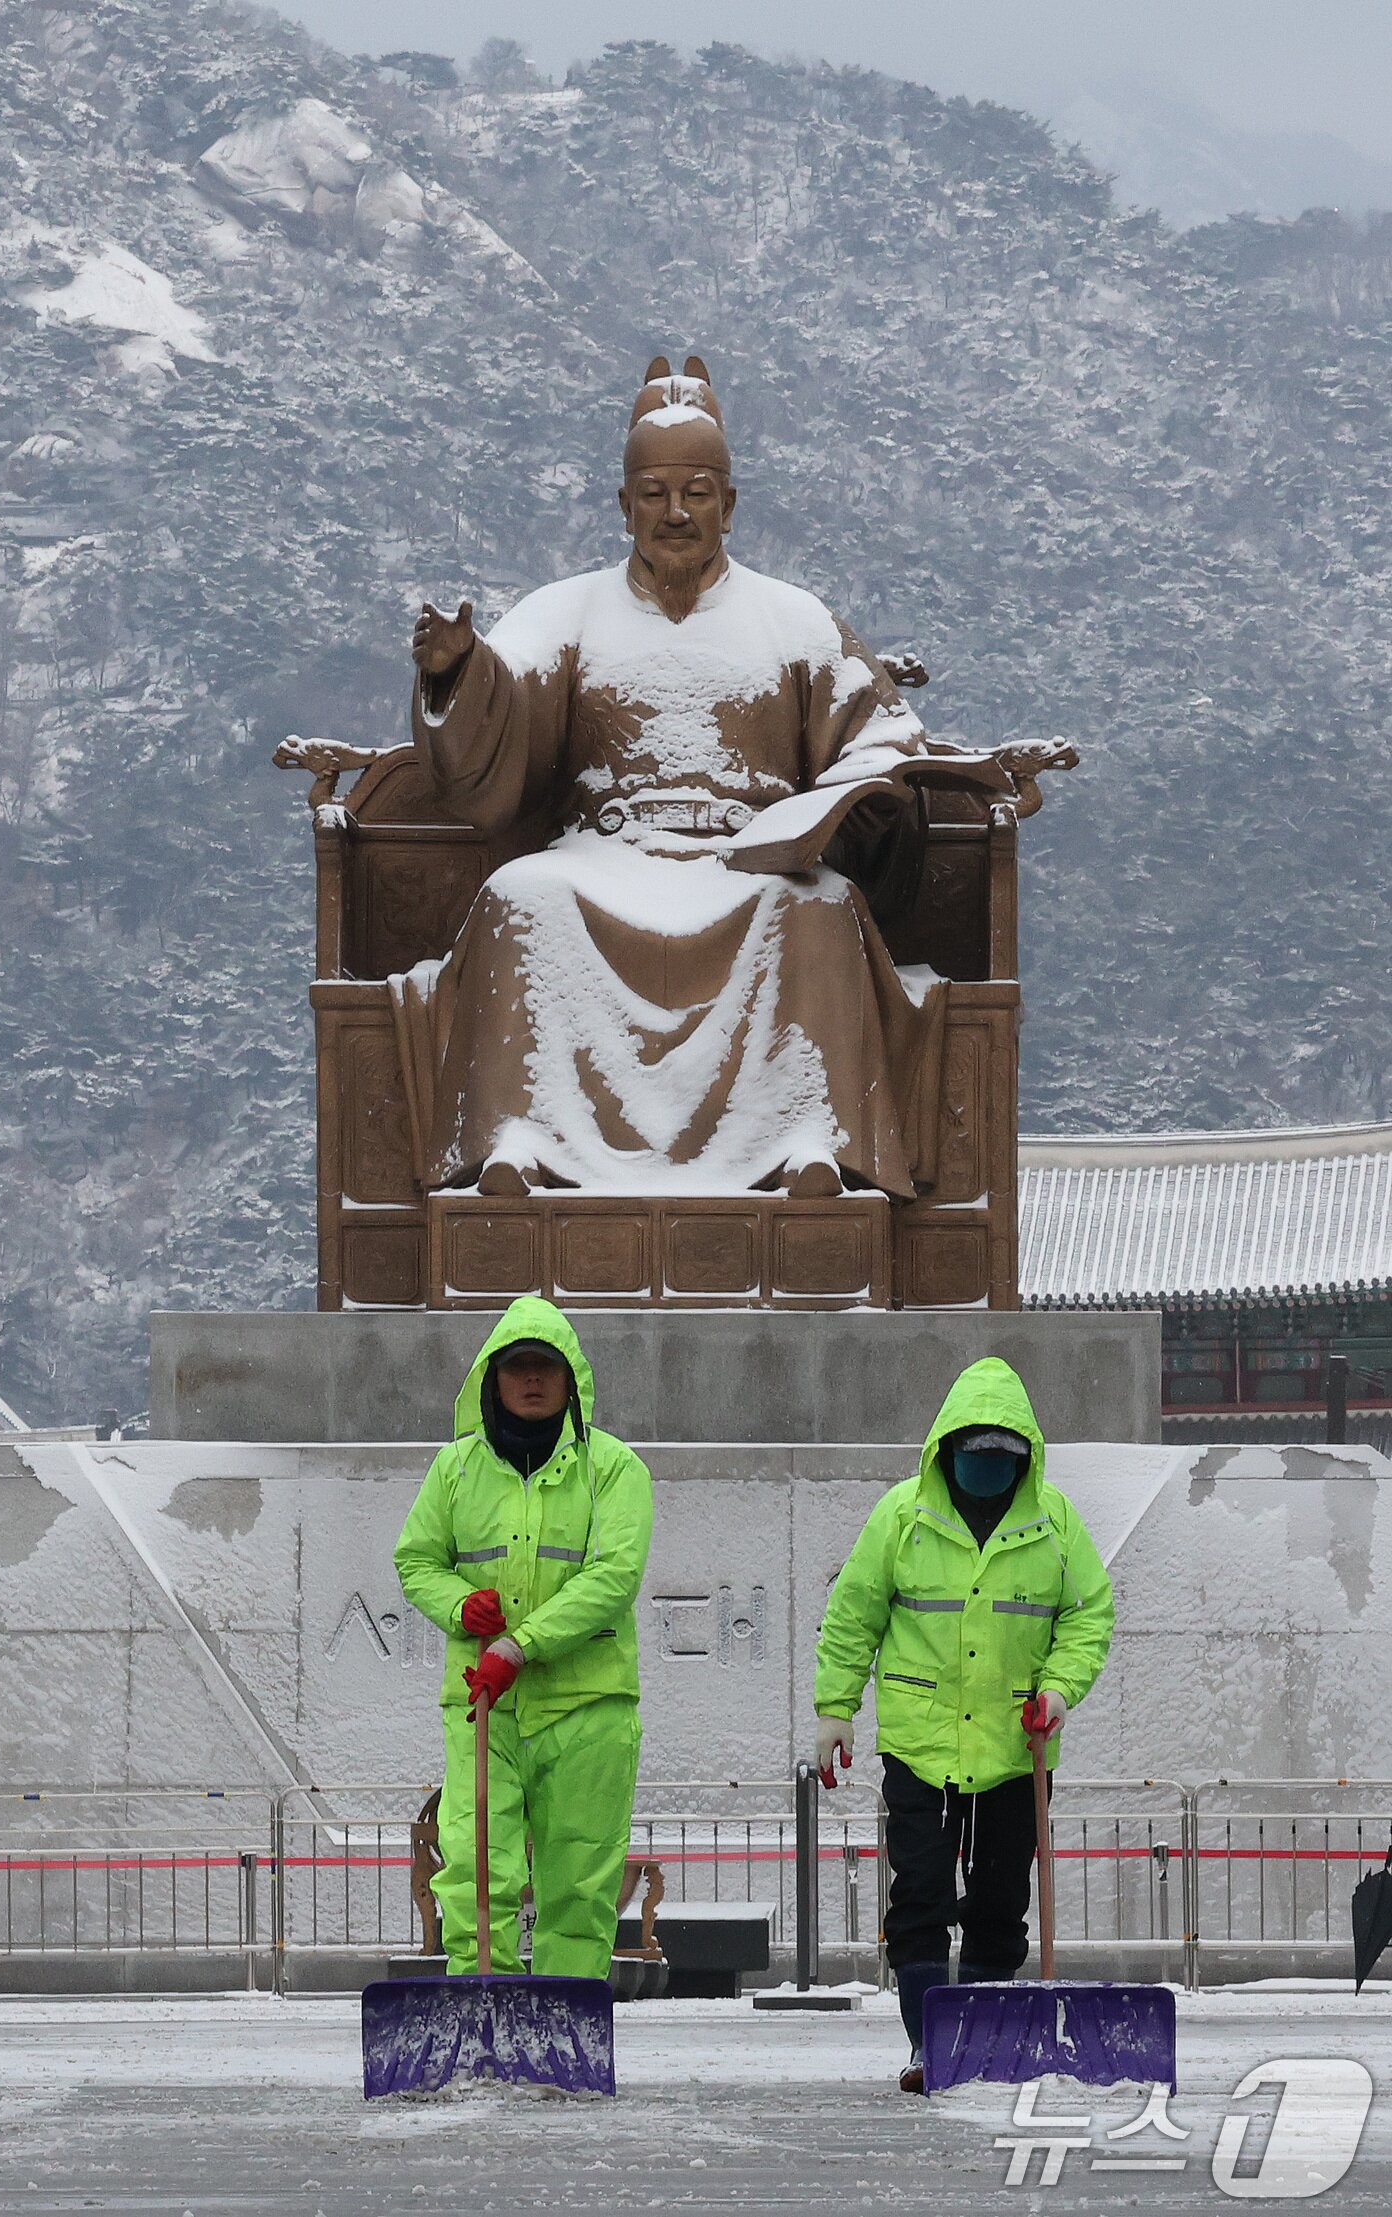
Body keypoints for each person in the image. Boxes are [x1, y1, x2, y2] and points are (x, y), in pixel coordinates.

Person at [379, 353, 1059, 1202]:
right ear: (624, 504)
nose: (675, 512)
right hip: (602, 854)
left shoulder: (796, 619)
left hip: (753, 862)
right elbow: (504, 705)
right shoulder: (568, 611)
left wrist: (862, 795)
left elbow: (879, 734)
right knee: (524, 897)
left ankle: (812, 1143)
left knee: (820, 907)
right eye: (655, 493)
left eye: (696, 492)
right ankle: (522, 1141)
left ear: (728, 505)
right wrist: (457, 670)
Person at [813, 1357, 1113, 2092]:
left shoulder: (1056, 1525)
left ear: (1024, 1458)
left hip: (1018, 1747)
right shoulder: (902, 1517)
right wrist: (835, 1708)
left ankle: (987, 2039)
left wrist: (1059, 1689)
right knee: (918, 1893)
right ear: (946, 1448)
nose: (987, 1469)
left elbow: (1088, 1616)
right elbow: (854, 1615)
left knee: (999, 1900)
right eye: (975, 1455)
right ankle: (931, 2043)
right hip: (920, 1748)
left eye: (1001, 1458)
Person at [393, 1296, 653, 1981]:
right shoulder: (453, 1470)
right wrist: (458, 1602)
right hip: (484, 1709)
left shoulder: (617, 1470)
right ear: (492, 1378)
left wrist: (520, 1644)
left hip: (588, 1709)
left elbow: (613, 1576)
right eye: (517, 1368)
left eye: (545, 1367)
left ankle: (563, 2035)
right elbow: (415, 1560)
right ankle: (481, 2021)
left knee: (578, 1883)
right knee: (478, 1872)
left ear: (571, 1380)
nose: (531, 1380)